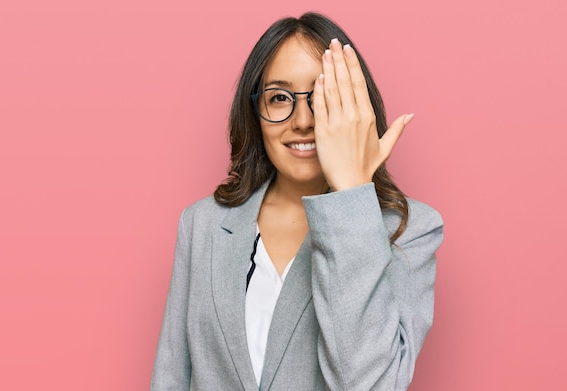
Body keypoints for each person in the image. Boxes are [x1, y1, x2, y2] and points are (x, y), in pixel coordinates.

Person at [151, 11, 443, 391]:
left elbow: (369, 384)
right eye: (279, 98)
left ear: (356, 111)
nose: (303, 120)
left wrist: (352, 192)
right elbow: (171, 377)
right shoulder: (201, 224)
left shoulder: (410, 230)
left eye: (323, 97)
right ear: (254, 113)